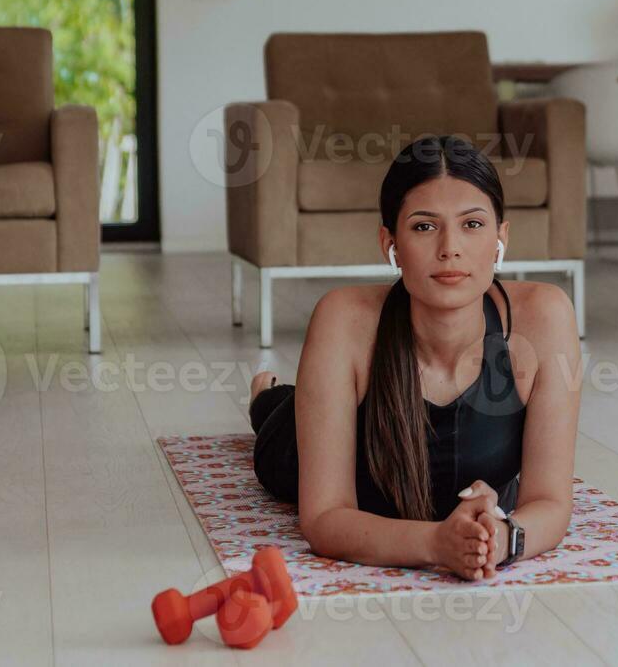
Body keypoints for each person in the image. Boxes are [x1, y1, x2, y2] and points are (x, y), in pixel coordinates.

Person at [247, 135, 582, 581]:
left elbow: (551, 502)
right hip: (291, 439)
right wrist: (436, 544)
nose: (450, 248)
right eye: (425, 226)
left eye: (473, 225)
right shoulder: (342, 318)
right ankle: (265, 395)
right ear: (391, 243)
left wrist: (501, 539)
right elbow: (325, 518)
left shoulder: (545, 316)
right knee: (278, 416)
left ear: (502, 237)